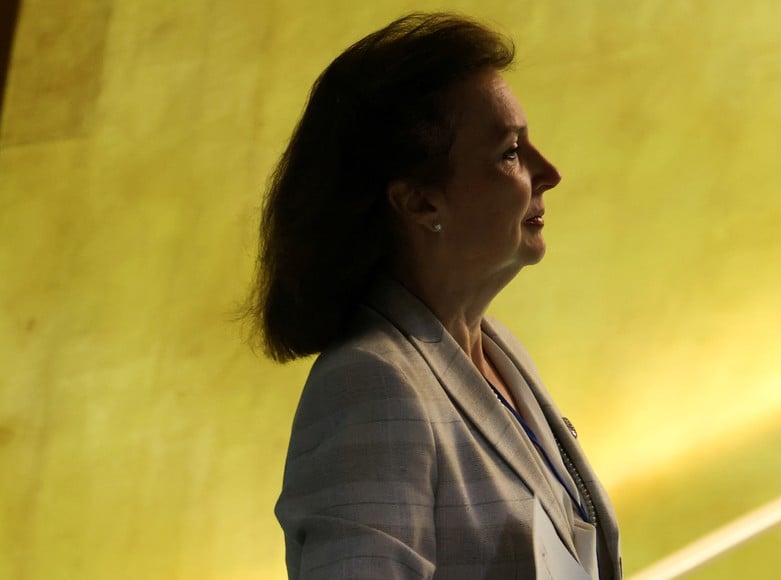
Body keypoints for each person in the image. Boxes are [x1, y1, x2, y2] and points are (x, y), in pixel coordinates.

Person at [250, 12, 622, 580]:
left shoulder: (501, 352)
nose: (549, 173)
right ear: (421, 203)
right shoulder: (370, 386)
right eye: (510, 152)